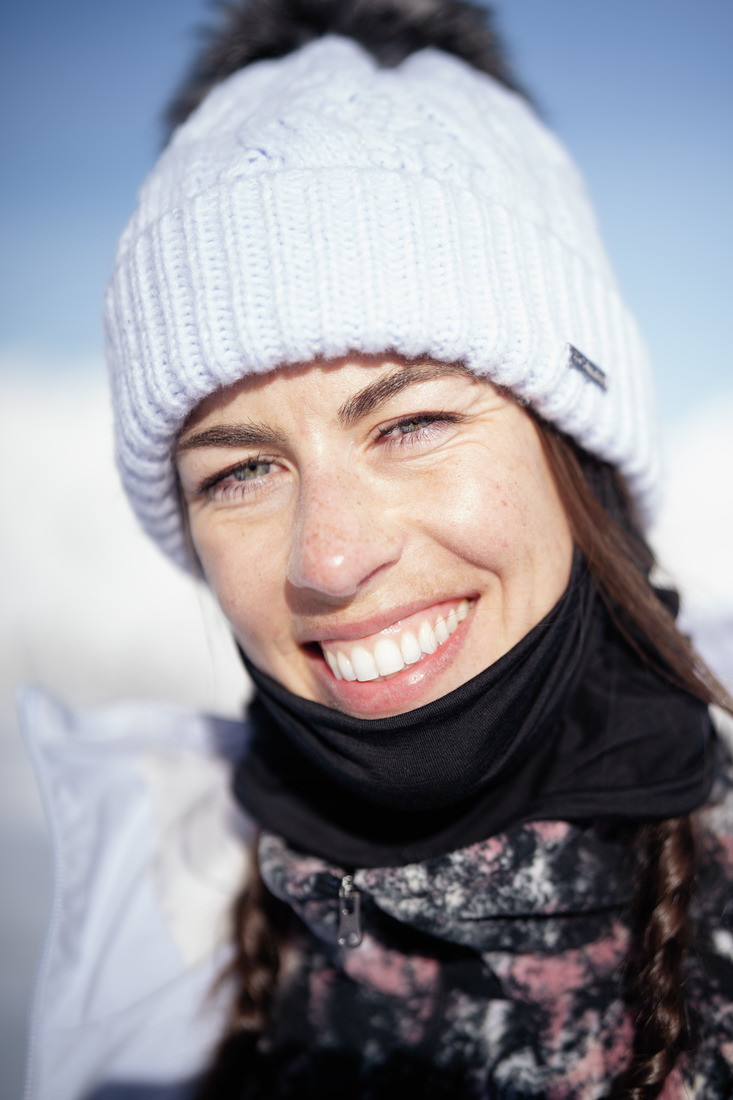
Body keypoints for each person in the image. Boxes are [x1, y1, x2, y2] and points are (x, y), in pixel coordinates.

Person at [21, 1, 733, 1098]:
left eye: (410, 425)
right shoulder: (142, 961)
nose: (330, 557)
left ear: (579, 453)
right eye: (240, 471)